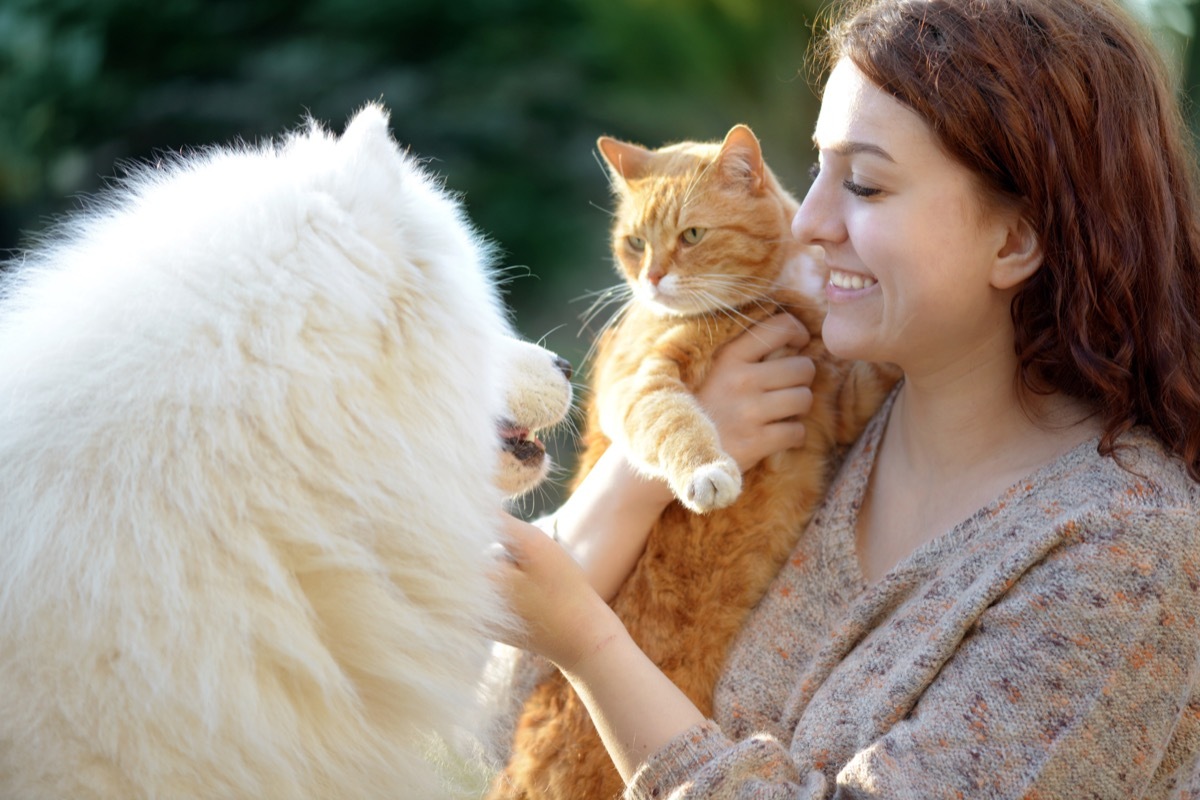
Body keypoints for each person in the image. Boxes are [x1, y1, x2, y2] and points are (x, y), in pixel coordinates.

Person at [491, 0, 1200, 796]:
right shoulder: (802, 406)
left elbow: (558, 645)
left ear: (1016, 241)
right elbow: (496, 712)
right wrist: (638, 479)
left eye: (863, 184)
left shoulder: (1128, 556)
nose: (810, 220)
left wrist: (591, 648)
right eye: (818, 167)